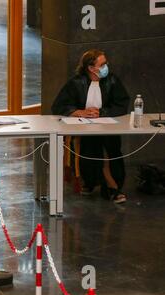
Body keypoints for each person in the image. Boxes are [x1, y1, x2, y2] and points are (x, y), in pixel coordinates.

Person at [52, 49, 130, 204]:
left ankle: (113, 186)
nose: (106, 66)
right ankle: (91, 182)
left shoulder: (113, 81)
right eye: (102, 64)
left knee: (110, 150)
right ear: (91, 68)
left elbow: (122, 104)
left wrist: (102, 112)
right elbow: (59, 105)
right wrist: (77, 112)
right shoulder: (76, 83)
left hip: (109, 127)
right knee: (90, 150)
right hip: (85, 128)